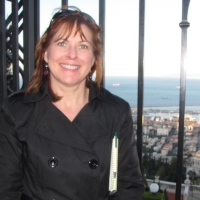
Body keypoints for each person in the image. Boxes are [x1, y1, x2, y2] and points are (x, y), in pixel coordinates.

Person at [0, 6, 144, 200]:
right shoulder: (17, 111)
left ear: (93, 59)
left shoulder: (116, 112)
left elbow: (129, 188)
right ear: (44, 53)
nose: (72, 54)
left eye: (83, 46)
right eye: (62, 43)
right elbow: (6, 190)